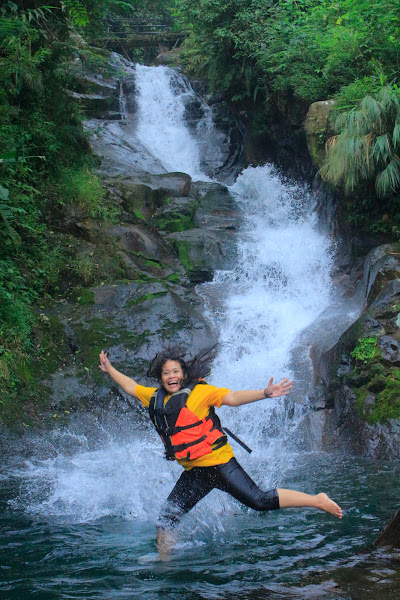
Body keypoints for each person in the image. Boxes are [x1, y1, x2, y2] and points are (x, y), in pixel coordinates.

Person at [99, 345, 342, 557]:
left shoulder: (201, 392)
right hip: (195, 473)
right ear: (161, 379)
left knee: (259, 501)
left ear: (183, 375)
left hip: (220, 464)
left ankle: (317, 500)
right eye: (166, 373)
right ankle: (165, 565)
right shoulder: (155, 398)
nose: (171, 376)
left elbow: (233, 397)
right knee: (166, 520)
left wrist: (265, 393)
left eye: (175, 371)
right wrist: (110, 370)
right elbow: (131, 386)